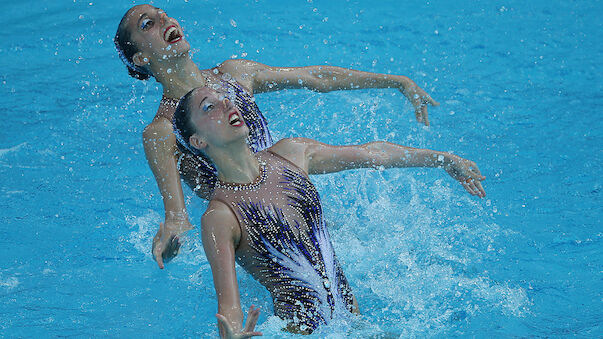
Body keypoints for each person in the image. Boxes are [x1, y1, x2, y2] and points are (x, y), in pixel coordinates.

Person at [113, 4, 441, 269]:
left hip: (293, 199)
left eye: (162, 13)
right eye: (148, 25)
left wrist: (396, 81)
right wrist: (173, 237)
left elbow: (316, 76)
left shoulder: (234, 74)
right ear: (142, 59)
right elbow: (177, 216)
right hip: (262, 238)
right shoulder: (163, 131)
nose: (165, 19)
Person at [172, 86, 485, 337]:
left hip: (356, 326)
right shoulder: (220, 215)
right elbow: (228, 306)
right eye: (209, 107)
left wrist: (442, 159)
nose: (227, 104)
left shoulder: (291, 153)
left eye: (224, 98)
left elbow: (372, 153)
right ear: (197, 140)